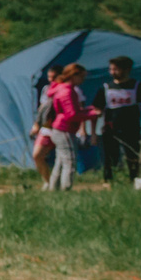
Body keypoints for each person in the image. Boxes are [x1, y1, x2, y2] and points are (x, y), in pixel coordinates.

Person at [94, 56, 141, 186]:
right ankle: (109, 180)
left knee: (132, 154)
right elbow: (96, 108)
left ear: (126, 70)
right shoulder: (105, 87)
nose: (112, 72)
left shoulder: (137, 86)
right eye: (111, 69)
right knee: (110, 156)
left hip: (131, 127)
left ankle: (133, 179)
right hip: (110, 127)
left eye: (116, 69)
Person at [42, 62, 85, 191]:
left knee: (60, 162)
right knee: (70, 163)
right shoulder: (67, 91)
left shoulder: (61, 89)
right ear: (73, 76)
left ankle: (53, 189)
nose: (83, 80)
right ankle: (65, 190)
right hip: (64, 129)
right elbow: (71, 114)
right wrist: (92, 114)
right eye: (81, 77)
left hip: (59, 129)